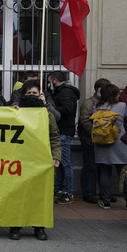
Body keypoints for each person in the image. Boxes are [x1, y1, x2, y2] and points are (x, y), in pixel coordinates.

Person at [9, 80, 61, 241]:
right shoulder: (15, 113)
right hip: (20, 160)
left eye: (34, 93)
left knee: (40, 195)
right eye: (28, 93)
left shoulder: (47, 114)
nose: (31, 96)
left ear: (41, 95)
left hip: (41, 161)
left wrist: (56, 155)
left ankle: (39, 227)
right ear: (22, 95)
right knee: (17, 194)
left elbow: (54, 137)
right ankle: (15, 226)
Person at [93, 83, 127, 211]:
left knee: (104, 173)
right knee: (123, 173)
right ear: (114, 95)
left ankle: (105, 202)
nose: (119, 96)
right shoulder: (121, 106)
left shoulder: (97, 107)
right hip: (118, 143)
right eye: (118, 94)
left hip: (101, 143)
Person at [47, 71, 80, 205]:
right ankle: (59, 189)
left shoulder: (66, 92)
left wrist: (52, 108)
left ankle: (69, 192)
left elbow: (67, 110)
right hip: (62, 130)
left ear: (55, 80)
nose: (49, 84)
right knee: (59, 162)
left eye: (49, 81)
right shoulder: (62, 91)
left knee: (65, 162)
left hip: (64, 131)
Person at [77, 78, 111, 204]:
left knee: (104, 168)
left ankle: (104, 194)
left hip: (104, 141)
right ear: (98, 89)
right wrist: (95, 133)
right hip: (89, 140)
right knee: (89, 166)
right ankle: (87, 193)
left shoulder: (109, 102)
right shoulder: (88, 103)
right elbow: (84, 120)